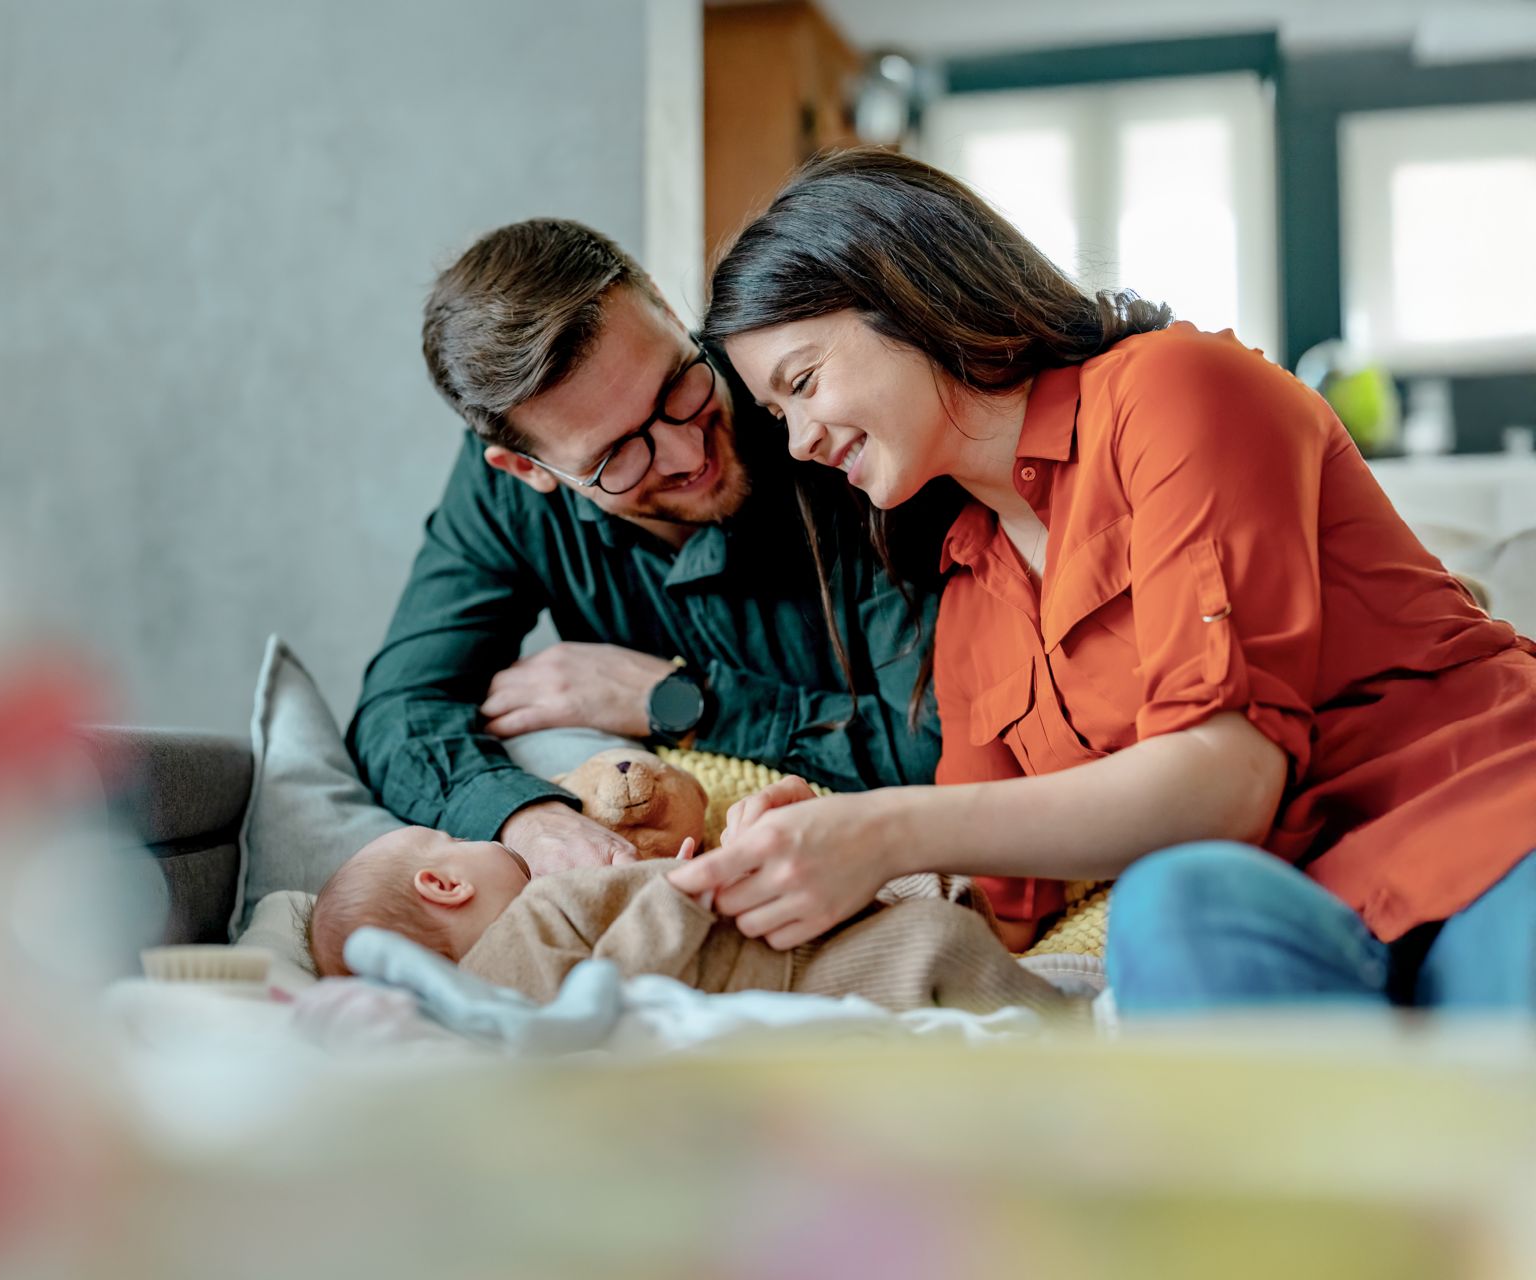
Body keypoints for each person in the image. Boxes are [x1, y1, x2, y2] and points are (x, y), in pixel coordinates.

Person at [669, 147, 1536, 1013]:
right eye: (780, 415)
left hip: (1487, 821)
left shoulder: (1171, 389)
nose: (800, 442)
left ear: (903, 290)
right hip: (1305, 913)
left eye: (805, 382)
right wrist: (797, 859)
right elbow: (994, 905)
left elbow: (1224, 781)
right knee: (1170, 908)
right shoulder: (970, 592)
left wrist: (880, 830)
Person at [347, 219, 942, 876]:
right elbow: (398, 714)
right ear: (529, 471)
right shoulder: (504, 500)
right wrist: (528, 820)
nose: (689, 453)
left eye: (677, 386)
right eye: (617, 456)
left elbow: (939, 750)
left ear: (662, 304)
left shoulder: (826, 419)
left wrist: (681, 702)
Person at [303, 825, 1074, 1018]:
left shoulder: (517, 954)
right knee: (933, 945)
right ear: (442, 884)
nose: (483, 842)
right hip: (781, 972)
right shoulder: (517, 942)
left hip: (755, 950)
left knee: (916, 912)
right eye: (451, 844)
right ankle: (1078, 1031)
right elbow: (610, 994)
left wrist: (666, 879)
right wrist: (683, 895)